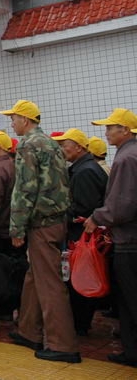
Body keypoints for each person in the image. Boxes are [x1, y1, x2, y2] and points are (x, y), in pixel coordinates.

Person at [1, 100, 80, 364]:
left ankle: (62, 344)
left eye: (13, 118)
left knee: (49, 284)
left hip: (41, 224)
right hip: (56, 219)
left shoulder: (28, 145)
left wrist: (17, 227)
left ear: (25, 119)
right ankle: (28, 330)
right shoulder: (49, 143)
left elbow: (25, 189)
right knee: (35, 277)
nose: (11, 123)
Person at [85, 108, 137, 367]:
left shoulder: (126, 158)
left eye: (110, 127)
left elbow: (122, 204)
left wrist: (97, 217)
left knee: (130, 299)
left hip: (129, 240)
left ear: (125, 130)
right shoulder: (129, 154)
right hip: (130, 237)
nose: (106, 132)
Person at [51, 128, 107, 337]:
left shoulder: (84, 172)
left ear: (79, 147)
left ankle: (80, 324)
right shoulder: (84, 168)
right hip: (84, 234)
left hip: (82, 235)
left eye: (65, 145)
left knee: (81, 277)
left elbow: (84, 208)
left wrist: (62, 212)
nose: (63, 149)